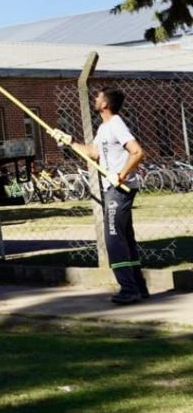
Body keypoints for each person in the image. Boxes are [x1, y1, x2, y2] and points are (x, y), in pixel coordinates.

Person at [52, 87, 148, 305]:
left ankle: (129, 289)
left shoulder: (116, 124)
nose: (95, 99)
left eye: (98, 97)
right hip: (113, 189)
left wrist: (121, 175)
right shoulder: (105, 128)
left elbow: (138, 152)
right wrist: (69, 141)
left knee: (114, 239)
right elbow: (94, 152)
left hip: (119, 189)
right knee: (124, 239)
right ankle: (138, 287)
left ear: (105, 104)